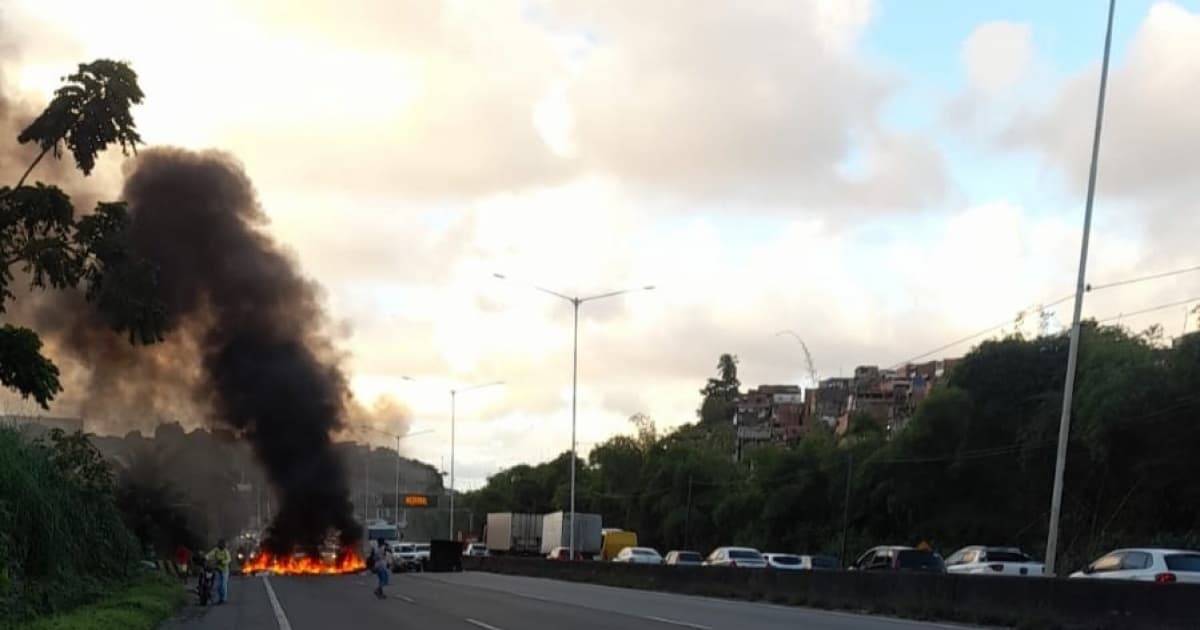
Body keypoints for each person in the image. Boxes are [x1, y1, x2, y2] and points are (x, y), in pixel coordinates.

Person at [206, 539, 232, 605]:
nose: (221, 546)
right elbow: (210, 555)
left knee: (223, 585)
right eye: (220, 544)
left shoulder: (226, 551)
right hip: (218, 570)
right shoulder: (216, 550)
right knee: (218, 586)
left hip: (224, 571)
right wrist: (205, 557)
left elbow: (229, 560)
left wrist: (222, 562)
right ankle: (220, 598)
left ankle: (223, 599)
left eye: (222, 545)